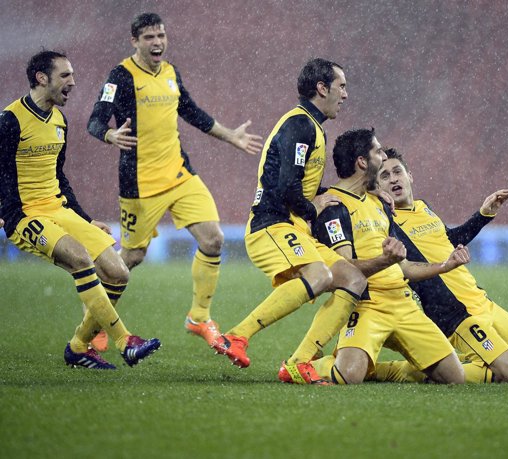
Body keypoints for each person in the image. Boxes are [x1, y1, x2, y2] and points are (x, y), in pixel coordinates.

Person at [87, 13, 263, 352]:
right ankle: (95, 317)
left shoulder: (170, 73)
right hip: (139, 183)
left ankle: (199, 317)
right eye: (149, 37)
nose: (157, 43)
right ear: (134, 41)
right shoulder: (120, 76)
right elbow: (95, 120)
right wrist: (110, 134)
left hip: (180, 175)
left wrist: (230, 136)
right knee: (132, 257)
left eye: (161, 36)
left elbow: (191, 111)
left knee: (213, 238)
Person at [0, 50, 160, 369]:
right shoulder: (11, 119)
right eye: (65, 76)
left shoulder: (59, 120)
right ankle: (125, 340)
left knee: (118, 273)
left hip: (59, 209)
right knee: (80, 259)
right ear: (41, 78)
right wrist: (8, 212)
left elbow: (59, 176)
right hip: (26, 215)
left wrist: (86, 219)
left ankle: (78, 347)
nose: (72, 82)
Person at [213, 58, 367, 385]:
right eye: (341, 86)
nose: (346, 94)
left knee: (353, 279)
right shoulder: (300, 126)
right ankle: (237, 336)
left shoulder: (311, 127)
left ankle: (299, 363)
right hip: (272, 224)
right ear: (321, 88)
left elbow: (299, 185)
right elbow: (287, 187)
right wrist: (315, 206)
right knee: (318, 274)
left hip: (294, 227)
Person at [310, 128, 470, 384]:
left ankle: (381, 370)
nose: (383, 157)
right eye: (378, 151)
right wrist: (385, 260)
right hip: (367, 304)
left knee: (454, 378)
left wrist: (444, 265)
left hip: (404, 303)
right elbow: (345, 270)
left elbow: (404, 267)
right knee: (346, 377)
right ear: (362, 162)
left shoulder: (380, 203)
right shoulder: (334, 206)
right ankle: (310, 364)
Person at [372, 147, 508, 383]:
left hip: (478, 299)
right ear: (379, 188)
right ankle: (413, 371)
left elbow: (447, 240)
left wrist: (483, 215)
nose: (393, 179)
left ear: (410, 176)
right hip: (454, 313)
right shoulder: (386, 221)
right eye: (384, 176)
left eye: (397, 172)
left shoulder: (423, 207)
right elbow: (407, 267)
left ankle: (445, 363)